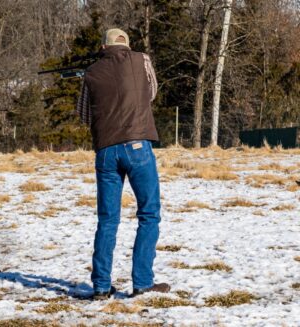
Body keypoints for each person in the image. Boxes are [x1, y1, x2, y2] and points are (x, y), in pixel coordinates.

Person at [76, 28, 170, 300]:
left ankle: (101, 287)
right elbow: (150, 93)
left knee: (107, 220)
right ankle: (142, 282)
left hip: (105, 149)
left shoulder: (90, 72)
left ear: (103, 47)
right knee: (149, 213)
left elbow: (83, 115)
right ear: (127, 46)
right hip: (138, 144)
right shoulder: (142, 60)